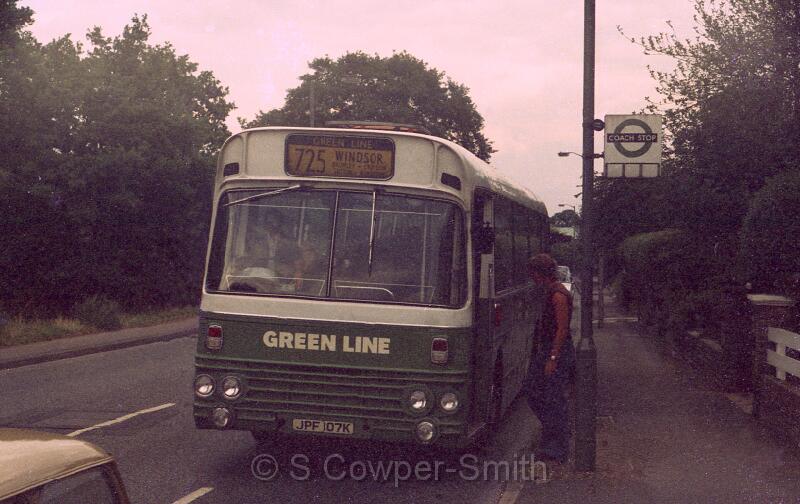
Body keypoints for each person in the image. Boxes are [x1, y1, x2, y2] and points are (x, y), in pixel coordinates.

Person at [526, 253, 575, 463]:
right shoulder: (551, 291)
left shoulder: (558, 295)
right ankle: (553, 437)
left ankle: (557, 447)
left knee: (553, 398)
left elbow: (562, 328)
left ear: (540, 273)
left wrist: (553, 357)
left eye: (533, 274)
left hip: (557, 351)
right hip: (548, 350)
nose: (532, 278)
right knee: (535, 391)